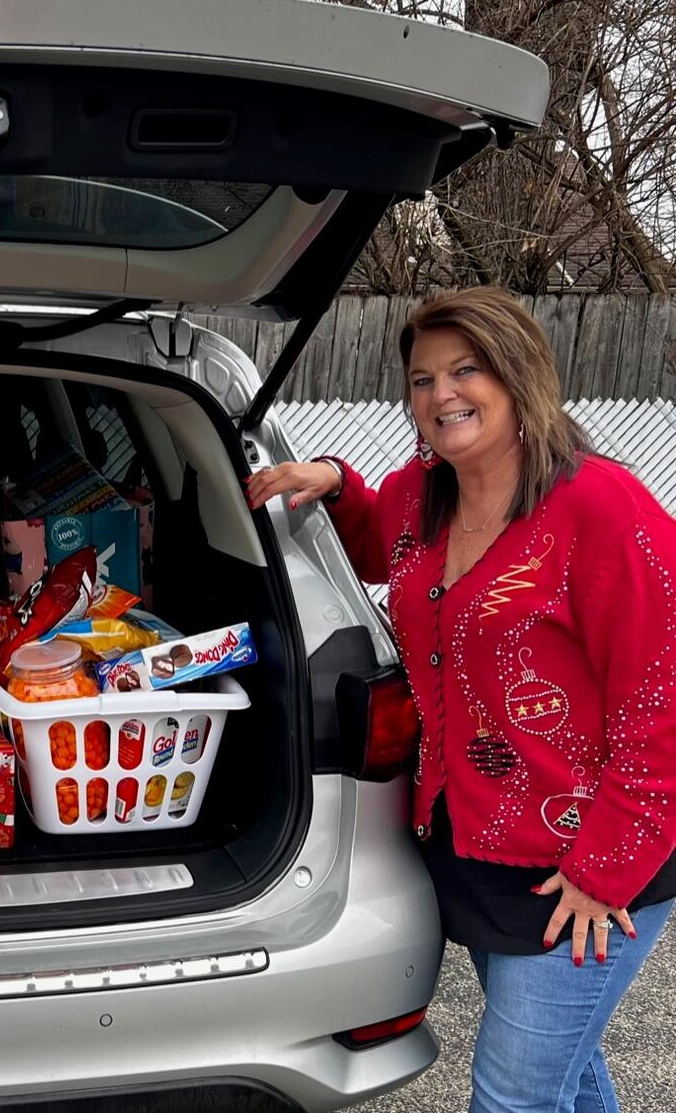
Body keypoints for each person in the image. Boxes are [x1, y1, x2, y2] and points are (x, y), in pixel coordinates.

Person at [247, 287, 676, 1113]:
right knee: (567, 1075)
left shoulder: (603, 509)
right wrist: (338, 482)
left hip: (581, 868)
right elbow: (383, 548)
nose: (441, 393)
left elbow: (662, 699)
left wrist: (601, 870)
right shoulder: (425, 491)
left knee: (513, 1095)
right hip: (476, 847)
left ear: (519, 376)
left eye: (465, 369)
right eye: (421, 377)